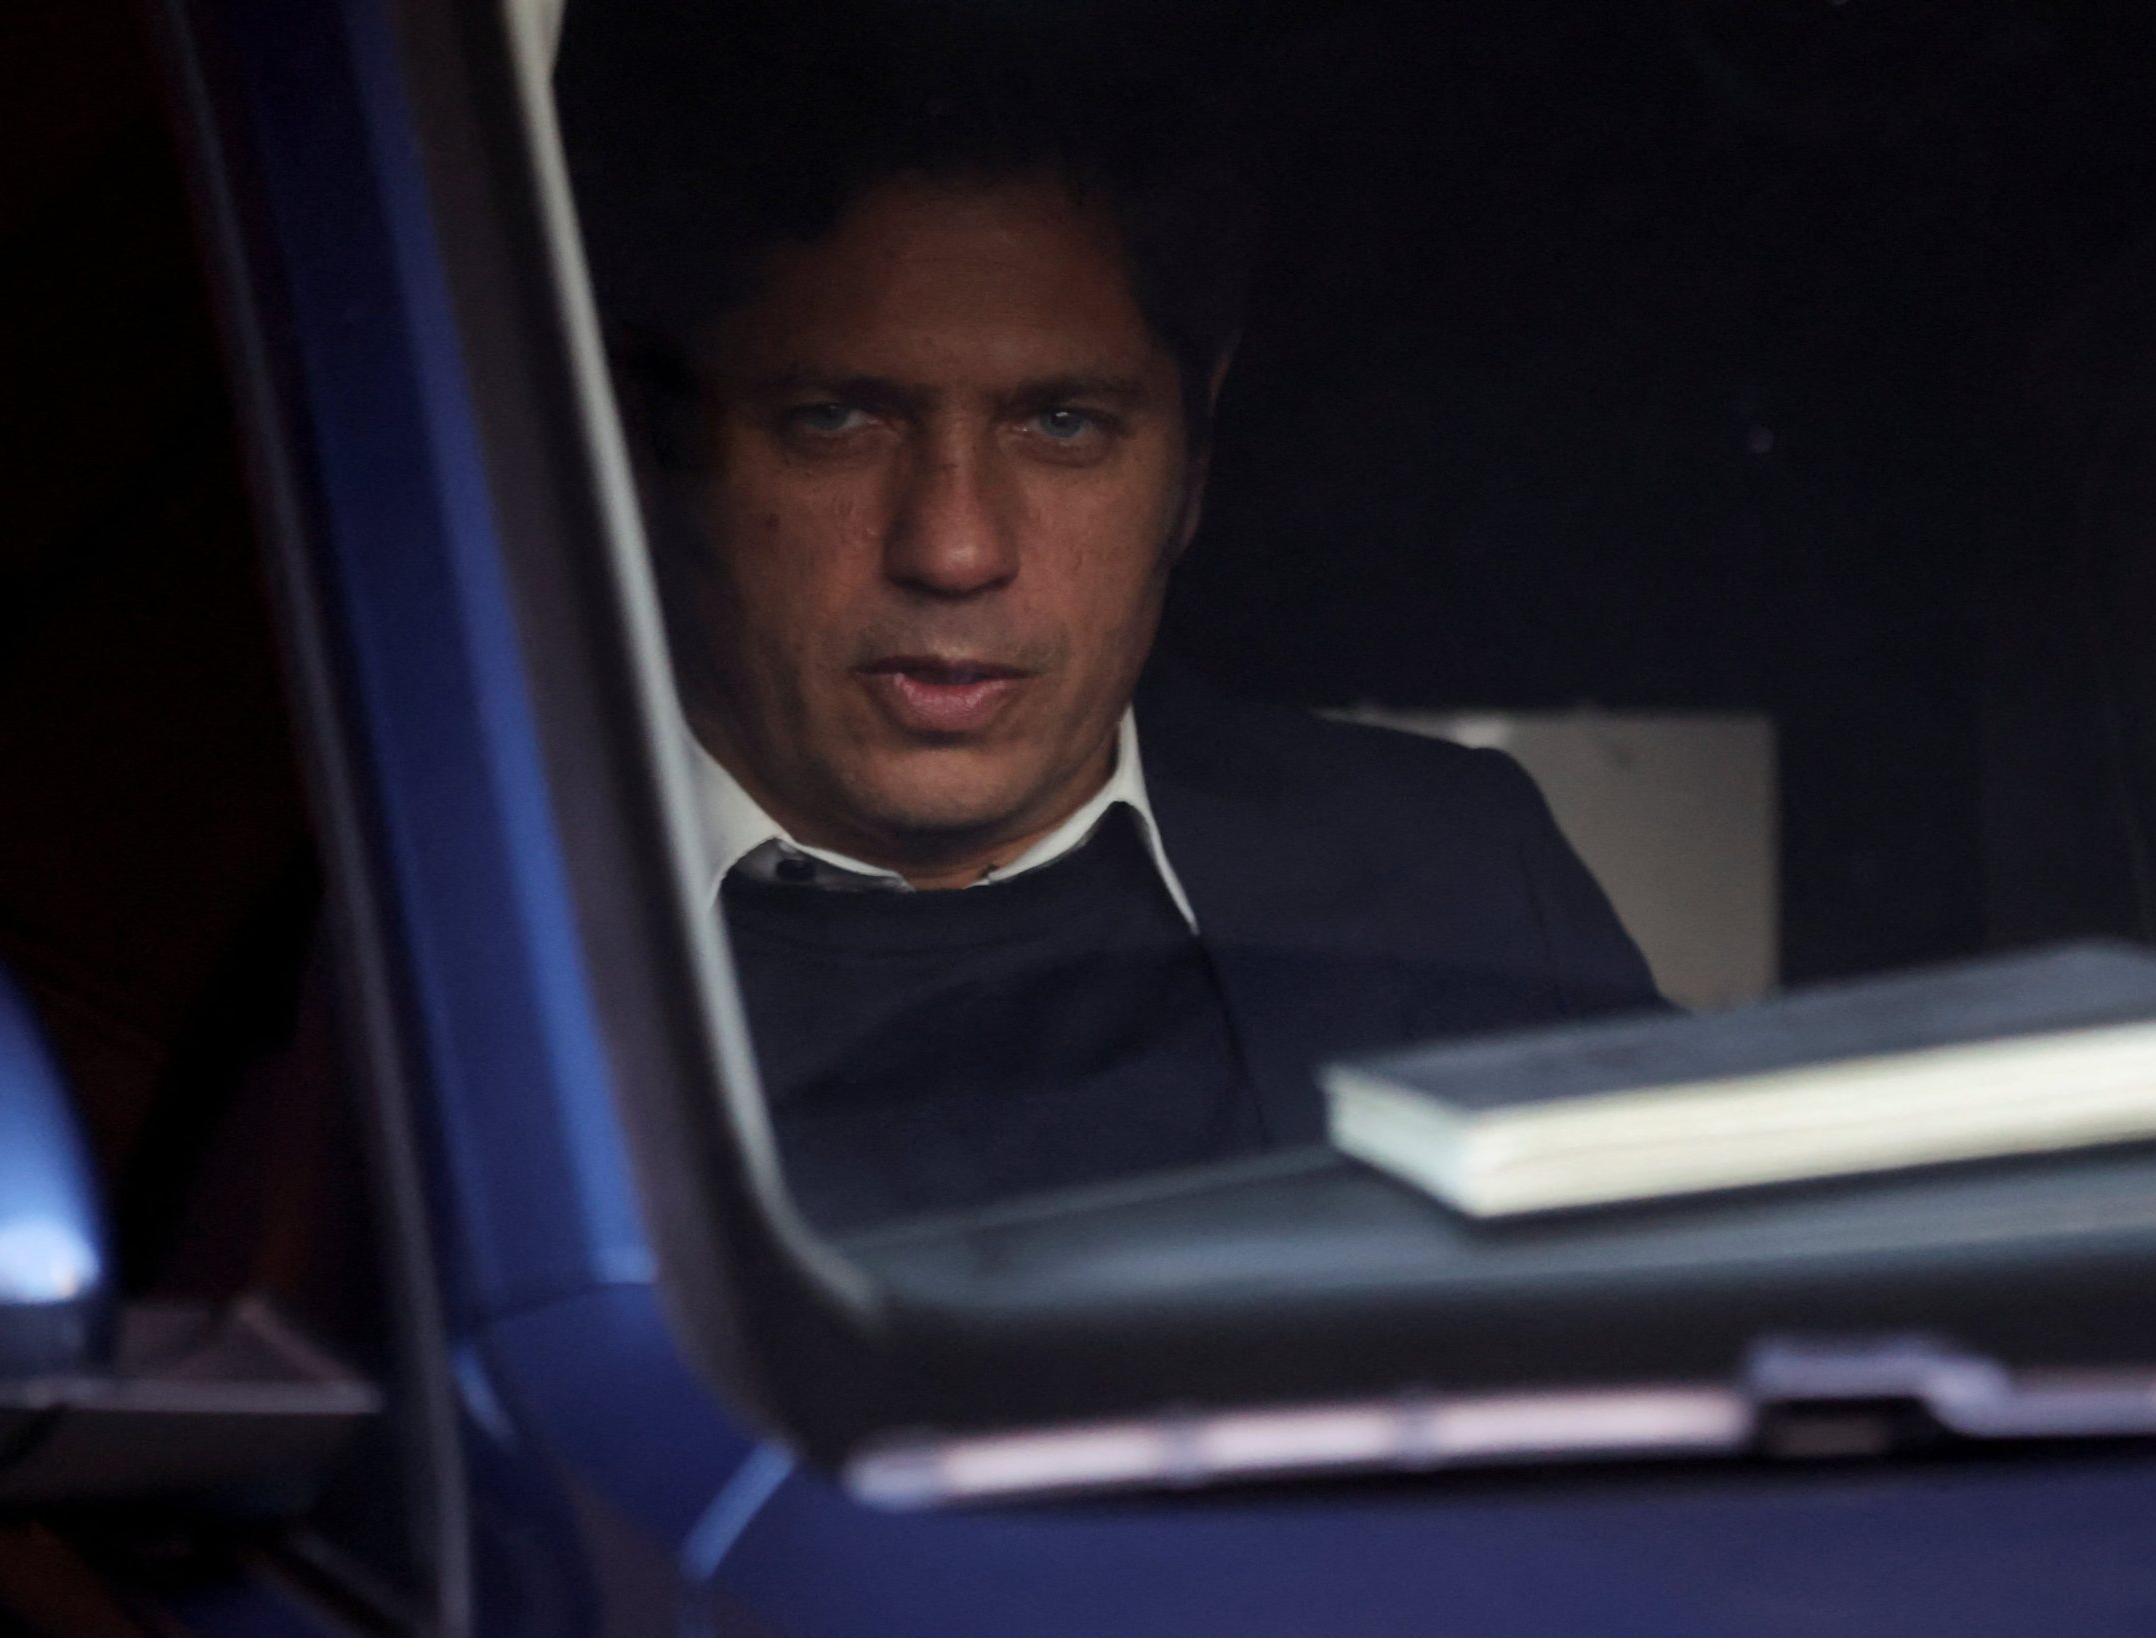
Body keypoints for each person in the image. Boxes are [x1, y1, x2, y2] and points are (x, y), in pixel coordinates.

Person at [566, 22, 1659, 1233]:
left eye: (1063, 425)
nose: (954, 548)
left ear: (1192, 459)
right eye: (834, 419)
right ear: (649, 443)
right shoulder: (460, 923)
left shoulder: (1459, 883)